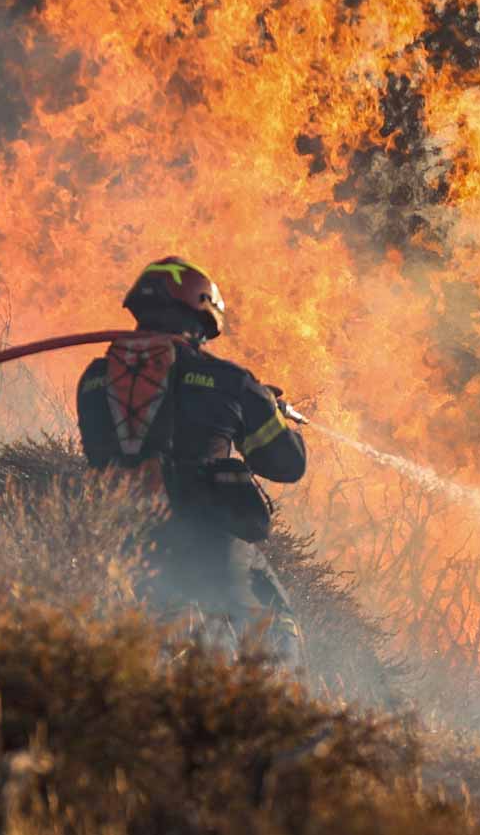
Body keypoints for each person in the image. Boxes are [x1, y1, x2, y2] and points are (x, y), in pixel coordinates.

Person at [75, 256, 307, 661]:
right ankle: (271, 716)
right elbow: (286, 464)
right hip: (210, 548)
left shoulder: (93, 380)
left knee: (138, 654)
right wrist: (268, 407)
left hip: (122, 549)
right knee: (274, 630)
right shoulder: (230, 381)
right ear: (201, 315)